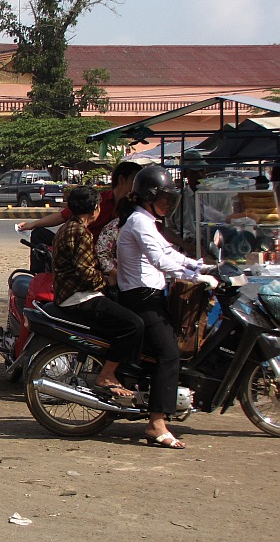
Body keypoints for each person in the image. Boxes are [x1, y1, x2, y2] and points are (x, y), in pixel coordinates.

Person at [117, 165, 217, 450]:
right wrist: (196, 277)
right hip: (141, 298)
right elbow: (160, 262)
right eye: (163, 199)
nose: (167, 204)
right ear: (148, 196)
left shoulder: (147, 221)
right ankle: (156, 422)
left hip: (151, 295)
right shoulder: (138, 222)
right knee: (169, 354)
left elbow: (168, 252)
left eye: (169, 200)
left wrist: (201, 265)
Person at [51, 186, 144, 398]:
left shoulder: (67, 228)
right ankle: (108, 375)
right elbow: (85, 272)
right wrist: (107, 281)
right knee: (133, 324)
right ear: (95, 208)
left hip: (70, 294)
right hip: (79, 297)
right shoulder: (80, 232)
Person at [18, 161, 144, 270]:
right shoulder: (98, 202)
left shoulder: (138, 206)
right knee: (38, 233)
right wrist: (32, 225)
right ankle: (39, 278)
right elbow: (62, 216)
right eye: (135, 180)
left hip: (114, 254)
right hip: (85, 251)